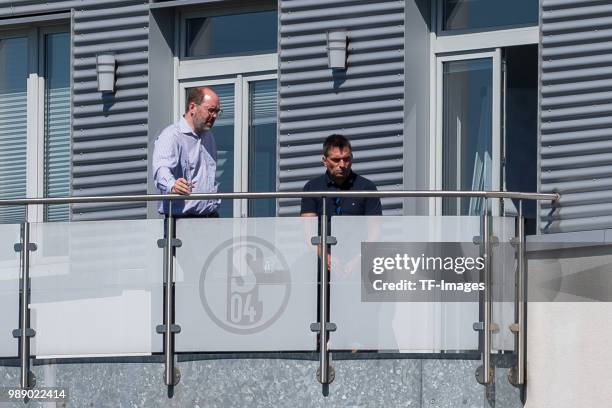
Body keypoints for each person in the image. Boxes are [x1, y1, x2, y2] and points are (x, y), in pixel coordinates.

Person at [152, 87, 222, 217]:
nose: (215, 116)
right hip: (181, 222)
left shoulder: (209, 137)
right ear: (192, 108)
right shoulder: (172, 136)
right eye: (211, 110)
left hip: (210, 218)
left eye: (217, 111)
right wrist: (172, 185)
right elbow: (161, 169)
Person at [301, 134, 382, 217]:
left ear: (352, 158)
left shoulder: (367, 187)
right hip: (323, 230)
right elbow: (308, 227)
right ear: (324, 161)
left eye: (346, 159)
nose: (342, 164)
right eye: (336, 160)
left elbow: (374, 228)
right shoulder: (311, 188)